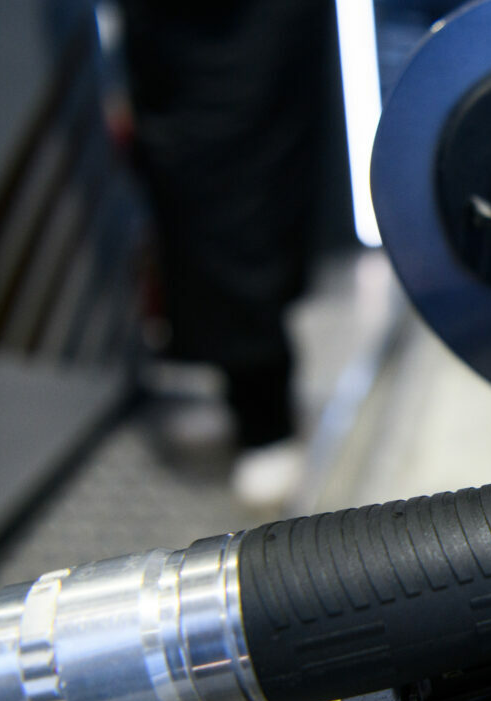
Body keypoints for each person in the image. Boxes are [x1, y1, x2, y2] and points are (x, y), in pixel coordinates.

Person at [120, 0, 331, 507]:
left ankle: (266, 419)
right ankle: (239, 393)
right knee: (185, 190)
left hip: (240, 29)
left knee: (240, 198)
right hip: (171, 32)